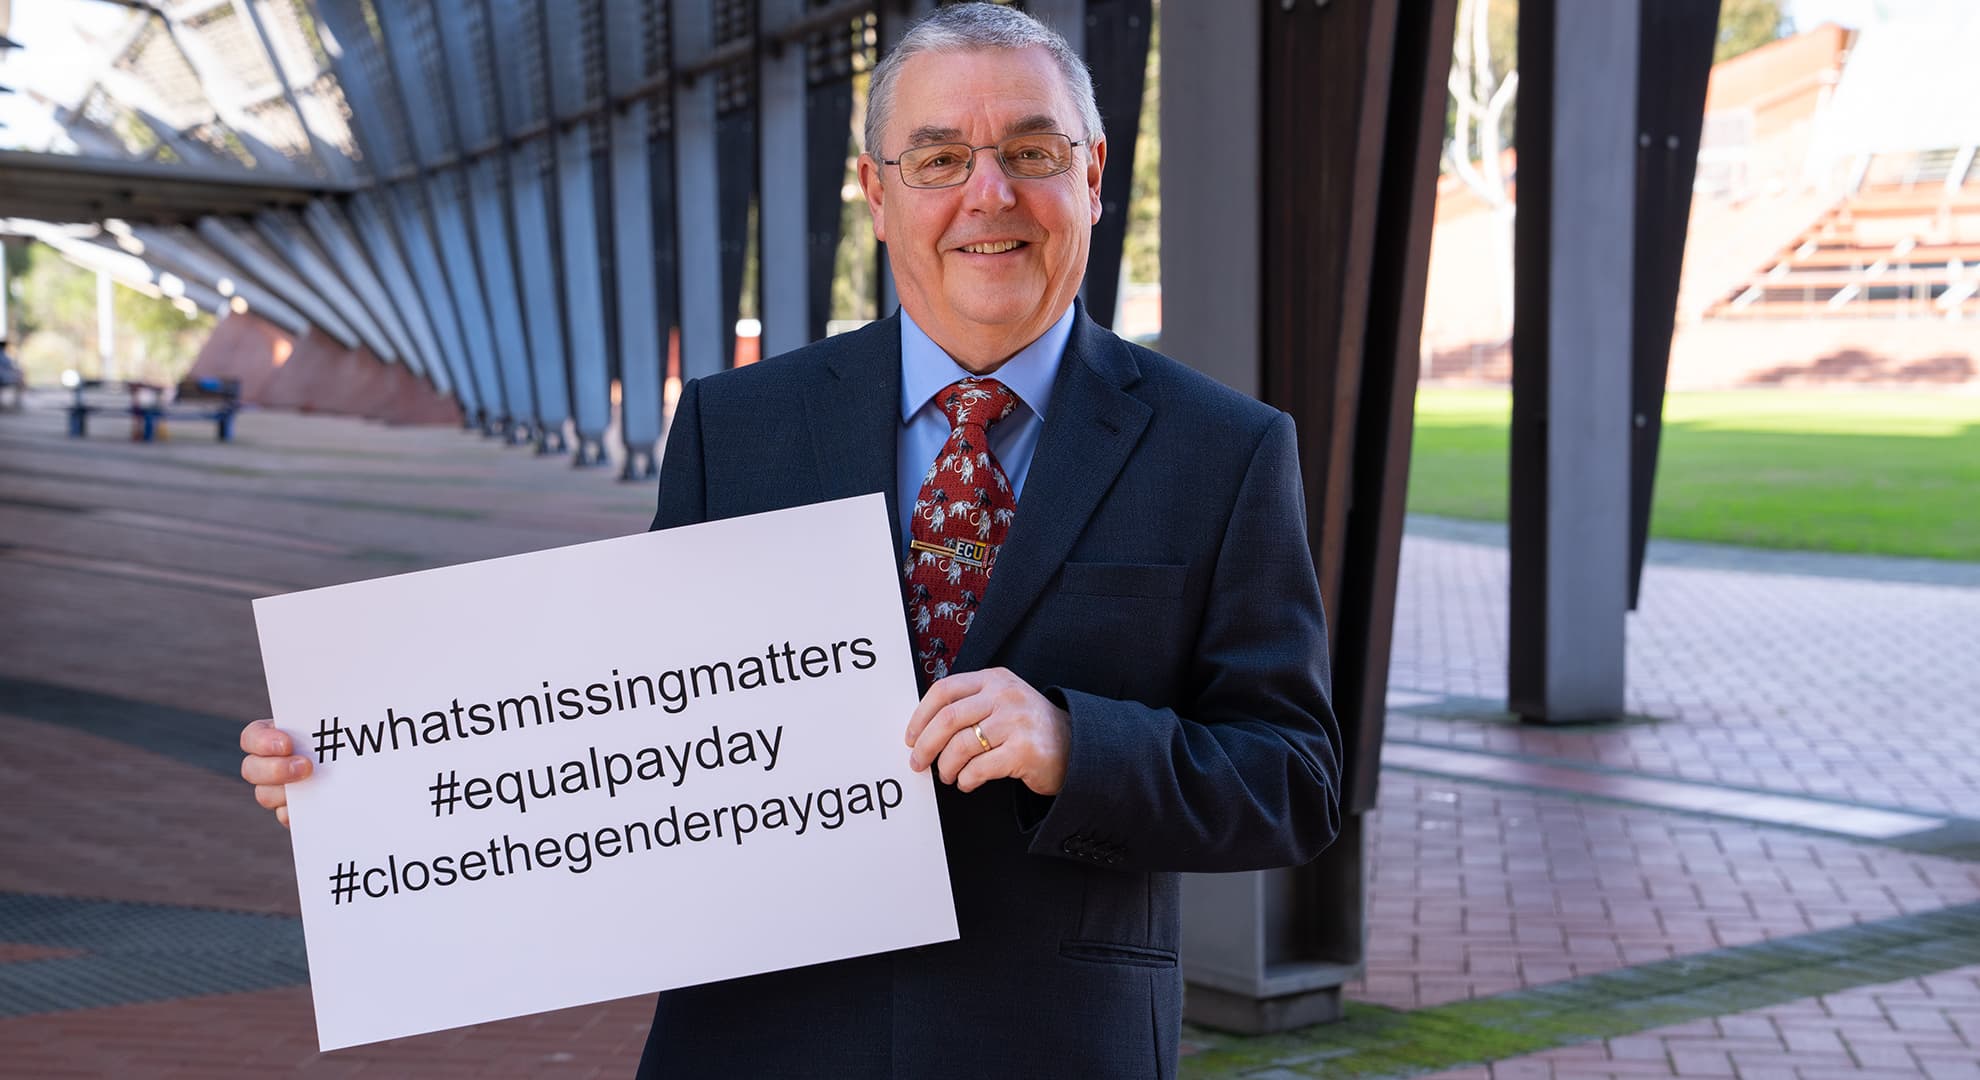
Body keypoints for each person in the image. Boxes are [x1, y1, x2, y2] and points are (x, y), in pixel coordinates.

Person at [240, 4, 1340, 1075]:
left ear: (1094, 174)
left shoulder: (1223, 450)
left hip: (1051, 1033)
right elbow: (622, 727)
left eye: (1031, 150)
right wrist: (377, 785)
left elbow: (1293, 779)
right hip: (760, 1034)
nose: (989, 194)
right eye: (939, 157)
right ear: (875, 191)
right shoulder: (738, 428)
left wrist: (1074, 744)